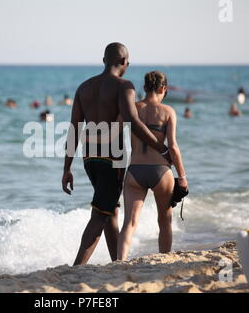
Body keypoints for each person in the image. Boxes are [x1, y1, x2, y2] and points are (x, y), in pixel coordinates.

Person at [62, 43, 170, 265]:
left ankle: (116, 263)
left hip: (89, 158)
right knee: (101, 214)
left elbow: (74, 128)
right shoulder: (124, 86)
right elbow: (133, 121)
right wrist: (162, 148)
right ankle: (76, 268)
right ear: (125, 63)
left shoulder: (83, 88)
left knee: (109, 208)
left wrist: (67, 168)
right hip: (113, 158)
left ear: (104, 60)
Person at [117, 71, 188, 260]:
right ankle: (164, 259)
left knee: (129, 223)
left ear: (145, 87)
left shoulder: (132, 109)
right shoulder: (168, 112)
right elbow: (172, 146)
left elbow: (114, 132)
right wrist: (182, 176)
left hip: (135, 171)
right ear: (163, 88)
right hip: (161, 171)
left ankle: (120, 261)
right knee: (165, 221)